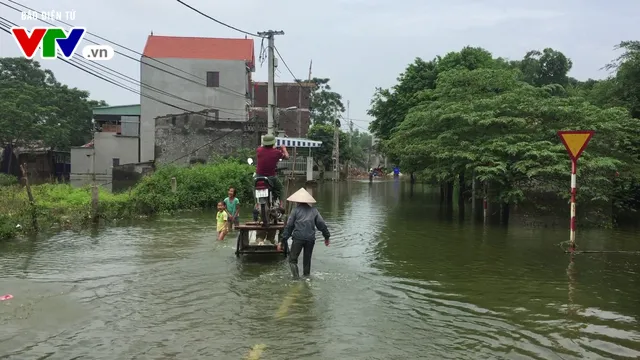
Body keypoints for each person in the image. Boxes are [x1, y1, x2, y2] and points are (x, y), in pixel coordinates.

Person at [279, 188, 330, 278]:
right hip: (310, 239)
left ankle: (296, 280)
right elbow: (321, 224)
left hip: (298, 238)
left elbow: (289, 226)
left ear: (297, 201)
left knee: (292, 260)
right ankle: (306, 279)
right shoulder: (314, 211)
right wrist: (327, 237)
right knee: (307, 261)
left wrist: (282, 241)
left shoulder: (295, 211)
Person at [255, 134, 289, 205]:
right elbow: (287, 157)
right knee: (280, 188)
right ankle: (281, 204)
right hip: (271, 177)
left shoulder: (259, 150)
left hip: (258, 177)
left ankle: (257, 204)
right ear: (273, 143)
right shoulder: (276, 152)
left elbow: (265, 153)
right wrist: (284, 149)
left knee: (254, 188)